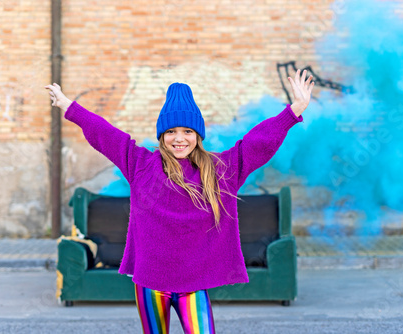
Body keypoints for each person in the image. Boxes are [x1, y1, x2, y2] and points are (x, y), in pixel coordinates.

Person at [45, 69, 314, 334]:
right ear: (162, 135)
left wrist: (293, 111)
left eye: (187, 131)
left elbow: (257, 143)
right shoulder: (140, 164)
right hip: (150, 283)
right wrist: (69, 106)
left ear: (198, 135)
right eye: (171, 131)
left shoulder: (220, 170)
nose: (179, 138)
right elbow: (105, 134)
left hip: (194, 285)